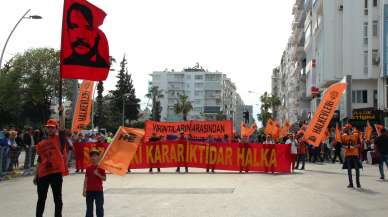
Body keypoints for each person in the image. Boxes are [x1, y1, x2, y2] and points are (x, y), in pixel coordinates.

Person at [34, 110, 68, 217]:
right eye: (48, 127)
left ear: (56, 128)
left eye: (52, 127)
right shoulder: (41, 143)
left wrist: (61, 113)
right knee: (41, 199)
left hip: (56, 173)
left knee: (57, 199)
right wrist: (36, 175)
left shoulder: (60, 139)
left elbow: (62, 127)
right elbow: (39, 159)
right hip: (43, 174)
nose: (49, 129)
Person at [64, 2, 109, 68]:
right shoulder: (66, 63)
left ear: (96, 34)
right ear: (68, 31)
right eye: (73, 26)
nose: (80, 36)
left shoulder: (101, 66)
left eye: (88, 28)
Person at [83, 149, 106, 217]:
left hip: (98, 191)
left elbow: (104, 178)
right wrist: (84, 190)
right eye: (92, 156)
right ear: (90, 157)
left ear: (98, 157)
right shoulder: (88, 168)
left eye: (95, 155)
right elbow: (86, 179)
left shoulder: (101, 167)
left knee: (99, 208)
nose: (93, 157)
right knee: (89, 209)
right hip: (89, 191)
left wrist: (98, 174)